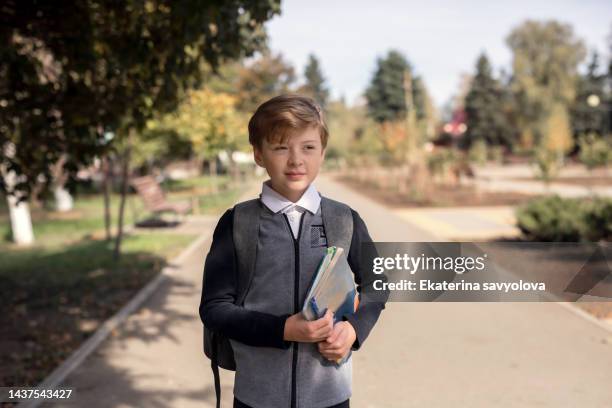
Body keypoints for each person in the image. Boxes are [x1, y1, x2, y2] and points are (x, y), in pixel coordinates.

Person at [199, 94, 386, 408]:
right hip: (257, 397)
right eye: (281, 147)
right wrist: (283, 329)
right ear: (259, 154)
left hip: (330, 397)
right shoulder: (238, 223)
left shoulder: (344, 219)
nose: (296, 160)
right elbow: (215, 308)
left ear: (322, 152)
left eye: (308, 147)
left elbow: (378, 283)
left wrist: (354, 330)